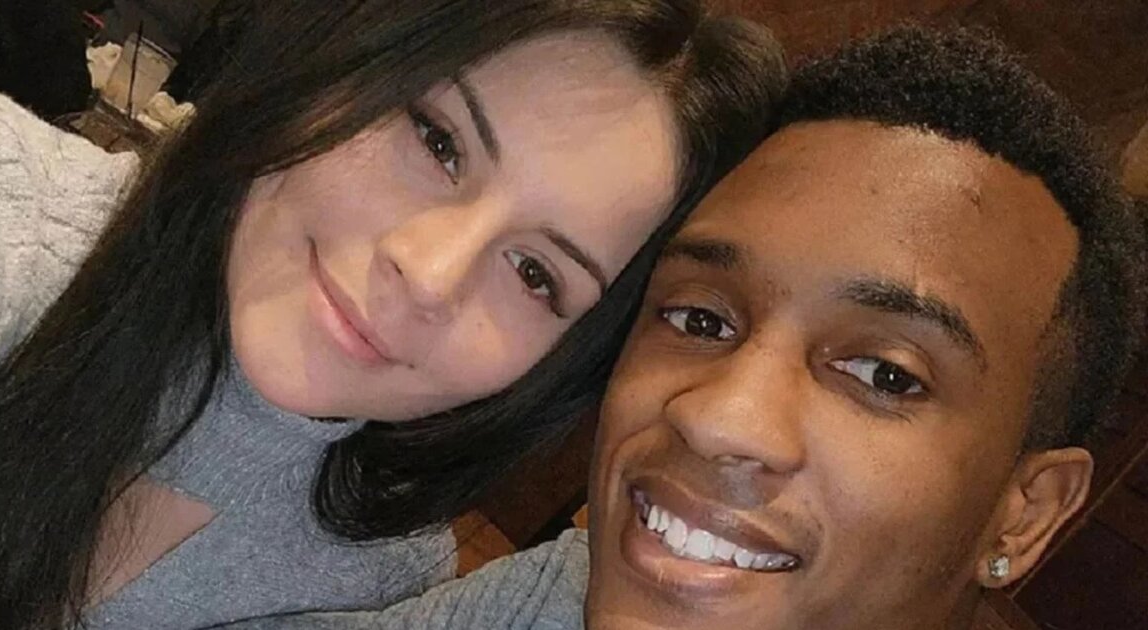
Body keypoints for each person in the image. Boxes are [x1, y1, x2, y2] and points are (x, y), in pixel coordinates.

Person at [215, 25, 1147, 630]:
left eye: (886, 375)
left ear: (1025, 512)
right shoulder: (557, 595)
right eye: (700, 317)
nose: (717, 416)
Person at [0, 1, 788, 628]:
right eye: (437, 141)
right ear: (342, 61)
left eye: (536, 273)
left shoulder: (378, 578)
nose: (429, 273)